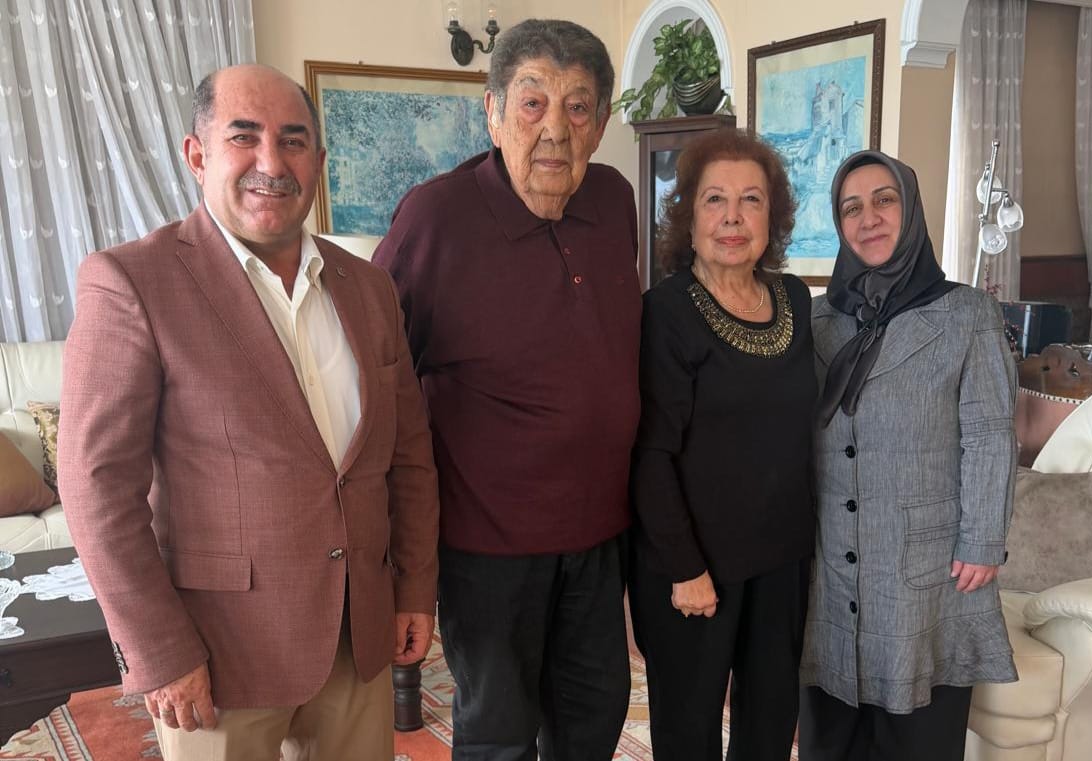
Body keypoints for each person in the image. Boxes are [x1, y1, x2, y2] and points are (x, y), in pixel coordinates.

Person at [57, 64, 440, 761]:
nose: (272, 162)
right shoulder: (132, 282)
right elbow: (95, 488)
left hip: (358, 636)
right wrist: (159, 650)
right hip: (218, 655)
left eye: (293, 140)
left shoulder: (370, 288)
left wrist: (413, 586)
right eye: (244, 137)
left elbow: (407, 455)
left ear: (318, 160)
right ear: (197, 154)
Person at [372, 19, 639, 761]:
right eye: (532, 102)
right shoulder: (435, 217)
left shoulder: (614, 199)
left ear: (601, 124)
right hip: (487, 548)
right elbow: (381, 372)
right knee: (499, 734)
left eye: (578, 107)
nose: (555, 129)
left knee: (594, 717)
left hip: (599, 536)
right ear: (492, 112)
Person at [798, 150, 1018, 761]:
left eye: (884, 200)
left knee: (916, 736)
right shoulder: (817, 319)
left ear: (911, 210)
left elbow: (990, 433)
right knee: (830, 734)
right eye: (851, 208)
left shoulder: (967, 314)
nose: (868, 218)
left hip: (923, 565)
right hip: (829, 561)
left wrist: (983, 539)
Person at [628, 128, 817, 761]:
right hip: (694, 572)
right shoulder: (665, 312)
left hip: (783, 565)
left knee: (770, 731)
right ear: (689, 217)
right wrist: (685, 569)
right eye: (715, 200)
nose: (733, 218)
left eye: (751, 200)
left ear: (773, 216)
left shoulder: (796, 300)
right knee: (689, 738)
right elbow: (650, 453)